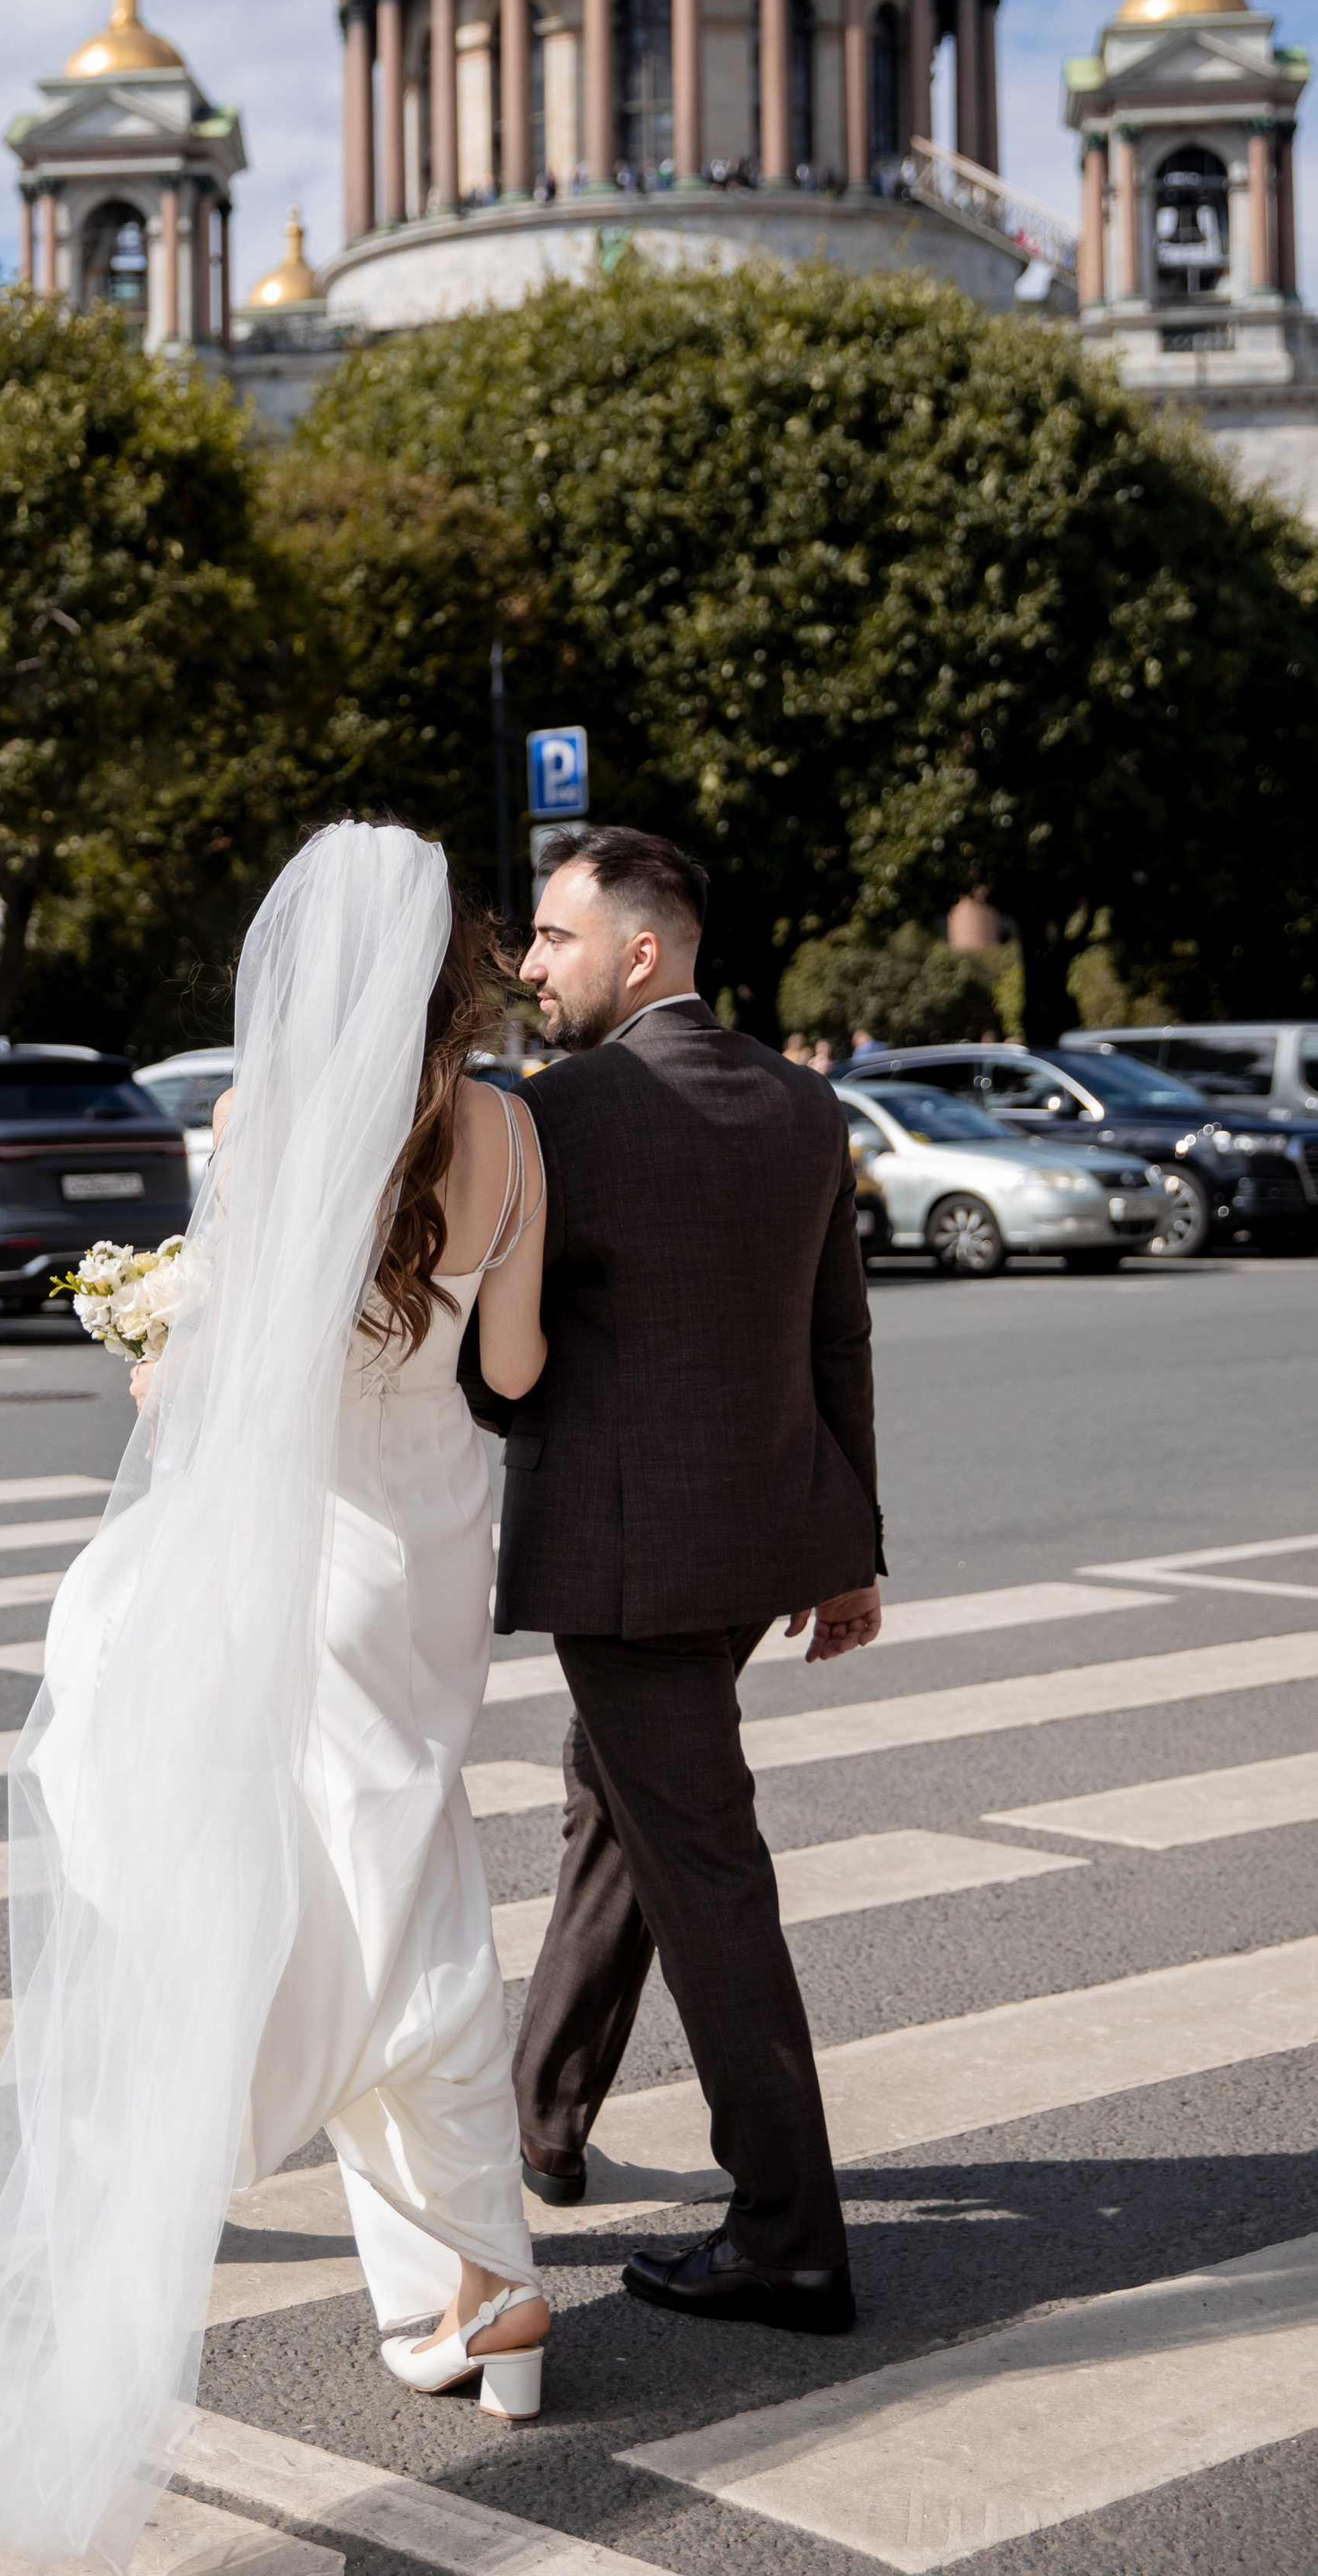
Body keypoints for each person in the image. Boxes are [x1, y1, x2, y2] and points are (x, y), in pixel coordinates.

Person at [0, 825, 552, 2570]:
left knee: (330, 1875)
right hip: (436, 1536)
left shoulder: (260, 1123)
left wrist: (153, 1337)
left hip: (309, 1536)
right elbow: (514, 1362)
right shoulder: (506, 1128)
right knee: (407, 1854)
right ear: (449, 972)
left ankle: (446, 2252)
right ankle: (472, 2282)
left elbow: (226, 1358)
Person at [472, 824, 882, 2340]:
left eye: (552, 940)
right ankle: (542, 2113)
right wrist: (846, 1554)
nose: (527, 967)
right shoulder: (800, 1101)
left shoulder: (556, 1121)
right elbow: (832, 1334)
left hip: (625, 1561)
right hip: (757, 1549)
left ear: (640, 952)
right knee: (621, 1814)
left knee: (703, 1866)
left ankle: (788, 2233)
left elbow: (502, 1365)